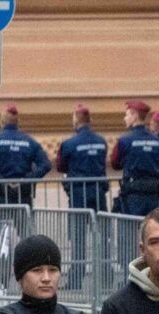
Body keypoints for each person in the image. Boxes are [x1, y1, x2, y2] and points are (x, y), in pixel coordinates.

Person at [56, 104, 108, 290]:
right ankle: (106, 277)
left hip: (79, 194)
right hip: (99, 193)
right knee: (103, 236)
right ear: (89, 120)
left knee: (78, 238)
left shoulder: (69, 144)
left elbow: (60, 166)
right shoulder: (101, 142)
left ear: (76, 120)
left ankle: (76, 279)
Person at [111, 100, 159, 277]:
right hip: (153, 193)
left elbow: (115, 162)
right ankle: (151, 271)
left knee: (128, 234)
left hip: (132, 193)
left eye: (127, 115)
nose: (125, 118)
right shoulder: (156, 141)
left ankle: (131, 273)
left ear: (134, 116)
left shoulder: (125, 140)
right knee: (152, 233)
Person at [0, 104, 52, 213]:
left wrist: (0, 180)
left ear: (2, 121)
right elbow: (46, 165)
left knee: (1, 223)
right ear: (18, 121)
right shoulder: (29, 141)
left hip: (0, 195)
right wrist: (26, 179)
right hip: (23, 195)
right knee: (23, 224)